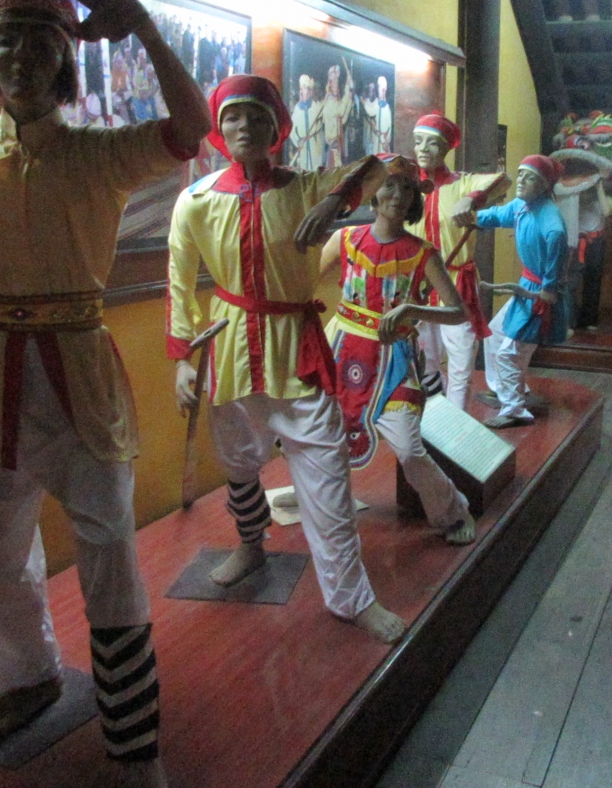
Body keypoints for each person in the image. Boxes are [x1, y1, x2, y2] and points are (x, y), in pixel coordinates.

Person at [0, 0, 210, 788]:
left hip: (78, 370)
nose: (20, 57)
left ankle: (134, 741)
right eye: (7, 41)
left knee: (110, 550)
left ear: (64, 62)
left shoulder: (97, 152)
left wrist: (147, 32)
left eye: (39, 43)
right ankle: (27, 675)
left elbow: (190, 129)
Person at [166, 73, 407, 645]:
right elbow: (178, 280)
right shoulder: (196, 200)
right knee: (238, 463)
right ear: (218, 127)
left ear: (277, 128)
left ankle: (352, 598)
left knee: (327, 475)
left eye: (257, 117)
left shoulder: (305, 186)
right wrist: (183, 358)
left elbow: (387, 164)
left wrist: (336, 199)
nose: (244, 127)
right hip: (230, 349)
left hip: (297, 350)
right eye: (233, 117)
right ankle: (251, 544)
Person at [320, 154, 476, 546]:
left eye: (407, 188)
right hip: (340, 348)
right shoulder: (345, 240)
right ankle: (327, 507)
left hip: (394, 358)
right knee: (323, 436)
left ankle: (453, 510)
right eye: (389, 184)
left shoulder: (423, 253)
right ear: (372, 192)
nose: (398, 195)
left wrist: (411, 310)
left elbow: (458, 312)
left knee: (408, 448)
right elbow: (301, 281)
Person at [457, 154, 570, 429]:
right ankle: (503, 390)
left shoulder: (551, 221)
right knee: (494, 334)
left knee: (510, 353)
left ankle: (514, 409)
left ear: (544, 185)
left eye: (530, 177)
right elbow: (498, 215)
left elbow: (557, 255)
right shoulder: (521, 206)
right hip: (527, 286)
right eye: (520, 174)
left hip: (539, 294)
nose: (521, 181)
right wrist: (472, 217)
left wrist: (548, 289)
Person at [405, 113, 508, 412]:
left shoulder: (463, 182)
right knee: (422, 362)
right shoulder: (407, 188)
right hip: (417, 285)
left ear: (447, 148)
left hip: (456, 284)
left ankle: (455, 428)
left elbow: (503, 180)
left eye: (432, 143)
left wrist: (472, 199)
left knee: (461, 363)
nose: (423, 149)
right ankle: (426, 423)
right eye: (418, 141)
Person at [288, 73, 325, 169]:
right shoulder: (297, 109)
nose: (307, 92)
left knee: (316, 169)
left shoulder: (316, 107)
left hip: (314, 145)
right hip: (302, 146)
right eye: (304, 89)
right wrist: (298, 142)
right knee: (304, 169)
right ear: (301, 91)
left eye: (309, 89)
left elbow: (321, 123)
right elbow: (292, 130)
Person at [362, 74, 393, 153]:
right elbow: (370, 111)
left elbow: (387, 127)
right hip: (377, 140)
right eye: (378, 87)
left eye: (381, 87)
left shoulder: (386, 107)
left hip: (383, 142)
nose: (379, 89)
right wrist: (364, 102)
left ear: (385, 89)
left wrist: (385, 141)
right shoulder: (377, 102)